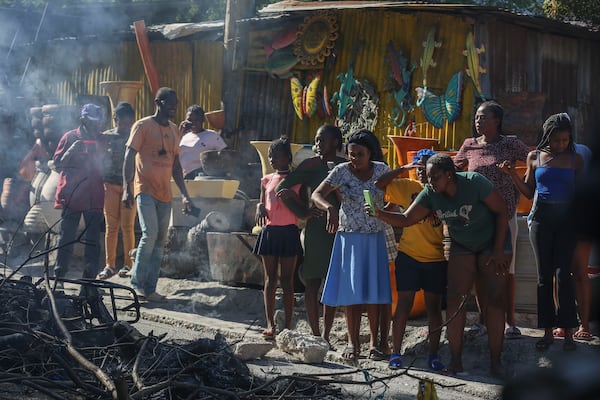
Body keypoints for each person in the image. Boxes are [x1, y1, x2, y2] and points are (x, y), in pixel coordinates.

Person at [371, 153, 511, 376]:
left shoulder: (474, 182)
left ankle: (496, 362)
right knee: (455, 299)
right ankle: (456, 361)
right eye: (427, 177)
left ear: (449, 174)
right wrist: (379, 214)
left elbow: (502, 211)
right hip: (462, 244)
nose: (429, 182)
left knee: (493, 301)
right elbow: (407, 219)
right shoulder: (430, 193)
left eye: (434, 177)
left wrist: (498, 249)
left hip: (492, 241)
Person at [501, 113, 583, 352]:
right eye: (557, 140)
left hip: (567, 220)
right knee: (543, 276)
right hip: (541, 219)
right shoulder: (534, 157)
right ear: (547, 137)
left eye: (565, 140)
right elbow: (528, 192)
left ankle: (568, 331)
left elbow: (581, 195)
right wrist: (513, 175)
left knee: (563, 275)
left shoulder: (576, 160)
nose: (560, 144)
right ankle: (547, 332)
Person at [311, 129, 393, 362]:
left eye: (359, 154)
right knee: (352, 294)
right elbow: (317, 194)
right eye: (350, 154)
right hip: (349, 238)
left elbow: (397, 194)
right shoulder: (340, 172)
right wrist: (329, 208)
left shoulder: (382, 170)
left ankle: (376, 345)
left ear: (370, 154)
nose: (354, 158)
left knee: (374, 293)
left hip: (375, 237)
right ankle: (352, 342)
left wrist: (389, 213)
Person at [454, 100, 530, 339]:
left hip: (505, 216)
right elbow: (452, 171)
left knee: (506, 269)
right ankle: (483, 320)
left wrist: (518, 178)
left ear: (497, 120)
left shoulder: (510, 144)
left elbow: (535, 159)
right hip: (477, 219)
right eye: (476, 117)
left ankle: (510, 322)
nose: (478, 121)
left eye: (483, 117)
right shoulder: (470, 145)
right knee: (480, 270)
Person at [375, 149, 447, 371]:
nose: (422, 171)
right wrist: (403, 169)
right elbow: (379, 184)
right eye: (418, 167)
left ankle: (433, 355)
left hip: (435, 259)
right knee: (403, 305)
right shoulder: (407, 187)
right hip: (408, 256)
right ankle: (396, 353)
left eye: (426, 166)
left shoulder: (444, 191)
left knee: (434, 308)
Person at [122, 87, 196, 302]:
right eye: (169, 102)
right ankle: (136, 284)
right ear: (158, 103)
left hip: (165, 193)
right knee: (150, 234)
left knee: (160, 240)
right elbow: (129, 156)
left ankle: (150, 288)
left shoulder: (174, 130)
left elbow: (176, 165)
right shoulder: (143, 126)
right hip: (144, 190)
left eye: (176, 102)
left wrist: (184, 195)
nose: (173, 106)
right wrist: (127, 188)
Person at [275, 124, 345, 346]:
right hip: (316, 230)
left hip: (341, 231)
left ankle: (327, 334)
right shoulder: (311, 165)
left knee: (332, 283)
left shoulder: (344, 166)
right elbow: (283, 189)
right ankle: (316, 335)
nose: (317, 145)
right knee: (313, 282)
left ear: (335, 142)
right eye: (316, 140)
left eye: (322, 140)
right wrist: (303, 212)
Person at [253, 137, 306, 340]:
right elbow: (261, 203)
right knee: (270, 279)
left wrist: (292, 197)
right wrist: (258, 206)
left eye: (277, 156)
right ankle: (270, 323)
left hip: (289, 232)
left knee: (287, 280)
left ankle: (288, 325)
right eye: (270, 156)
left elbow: (303, 210)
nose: (273, 159)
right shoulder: (266, 180)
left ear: (288, 158)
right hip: (270, 232)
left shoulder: (297, 181)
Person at [52, 103, 107, 282]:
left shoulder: (102, 139)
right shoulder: (69, 137)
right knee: (66, 238)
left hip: (94, 196)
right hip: (72, 196)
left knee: (93, 240)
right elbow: (57, 165)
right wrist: (71, 150)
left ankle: (89, 279)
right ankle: (59, 276)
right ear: (83, 119)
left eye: (98, 122)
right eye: (92, 121)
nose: (96, 125)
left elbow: (106, 166)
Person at [97, 102, 137, 280]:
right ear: (115, 119)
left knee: (128, 227)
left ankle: (129, 265)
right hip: (110, 186)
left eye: (130, 122)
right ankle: (110, 265)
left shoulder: (136, 136)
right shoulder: (105, 137)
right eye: (123, 121)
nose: (126, 126)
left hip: (131, 186)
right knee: (111, 227)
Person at [178, 105, 227, 179]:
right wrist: (179, 133)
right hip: (183, 179)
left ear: (203, 120)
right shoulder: (183, 137)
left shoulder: (212, 136)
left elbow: (226, 155)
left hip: (201, 178)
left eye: (196, 120)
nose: (193, 123)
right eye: (190, 120)